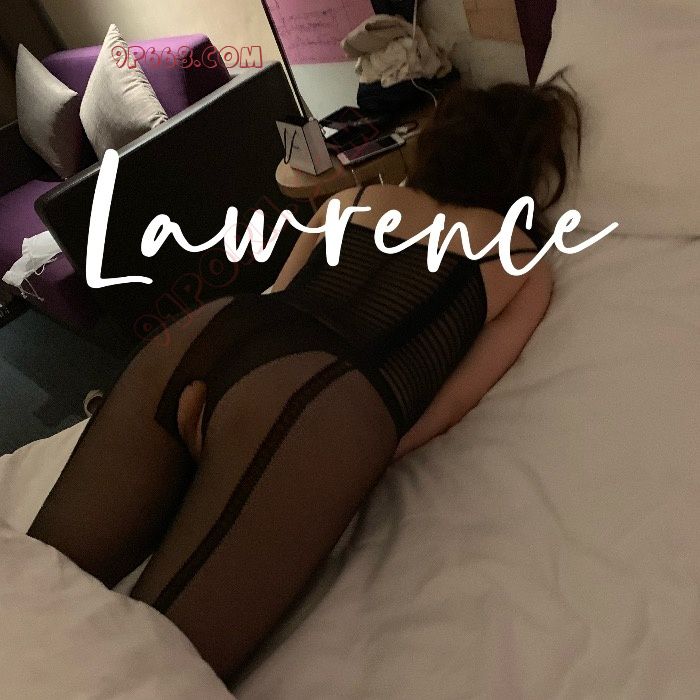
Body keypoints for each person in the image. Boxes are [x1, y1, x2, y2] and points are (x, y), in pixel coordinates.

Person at [28, 77, 580, 680]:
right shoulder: (520, 260)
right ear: (531, 174)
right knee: (154, 672)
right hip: (318, 397)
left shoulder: (355, 198)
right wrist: (367, 450)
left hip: (214, 333)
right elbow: (453, 401)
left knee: (32, 590)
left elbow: (279, 295)